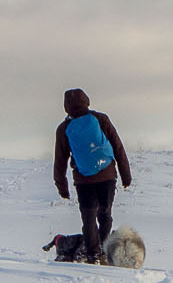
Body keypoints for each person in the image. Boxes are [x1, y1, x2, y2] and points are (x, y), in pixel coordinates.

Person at [53, 88, 133, 262]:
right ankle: (104, 250)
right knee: (105, 214)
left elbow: (60, 161)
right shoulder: (101, 119)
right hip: (107, 175)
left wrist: (62, 187)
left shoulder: (64, 129)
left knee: (88, 217)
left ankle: (92, 254)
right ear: (86, 100)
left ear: (66, 107)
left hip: (83, 179)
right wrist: (126, 175)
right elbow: (117, 147)